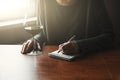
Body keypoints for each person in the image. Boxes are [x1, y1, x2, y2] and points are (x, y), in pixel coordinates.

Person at [21, 0, 114, 56]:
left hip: (86, 63)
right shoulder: (44, 2)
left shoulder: (92, 2)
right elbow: (43, 32)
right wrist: (36, 40)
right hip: (52, 65)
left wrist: (80, 45)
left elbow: (109, 37)